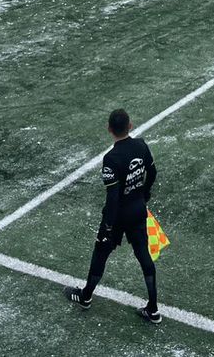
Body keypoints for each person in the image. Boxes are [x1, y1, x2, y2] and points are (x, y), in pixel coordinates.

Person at [65, 108, 160, 325]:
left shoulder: (111, 158)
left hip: (118, 216)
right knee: (144, 255)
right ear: (131, 125)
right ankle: (153, 308)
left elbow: (113, 198)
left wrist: (108, 227)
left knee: (100, 253)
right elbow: (152, 174)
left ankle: (86, 296)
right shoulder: (141, 146)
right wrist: (143, 194)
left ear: (109, 129)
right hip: (137, 211)